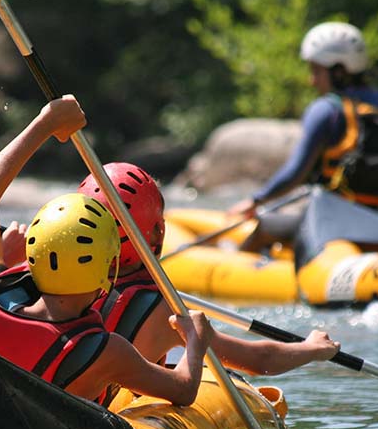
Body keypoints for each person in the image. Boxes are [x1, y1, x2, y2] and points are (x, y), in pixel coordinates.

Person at [0, 94, 212, 406]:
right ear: (107, 272)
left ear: (33, 256)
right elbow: (183, 389)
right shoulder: (105, 351)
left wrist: (45, 124)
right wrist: (195, 342)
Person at [78, 161, 340, 405]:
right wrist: (311, 348)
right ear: (158, 231)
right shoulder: (165, 312)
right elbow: (261, 361)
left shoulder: (55, 282)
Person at [228, 21, 378, 252]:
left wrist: (256, 201)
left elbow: (295, 173)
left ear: (339, 71)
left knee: (265, 228)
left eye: (316, 71)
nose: (312, 80)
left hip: (335, 224)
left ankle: (241, 269)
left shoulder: (326, 110)